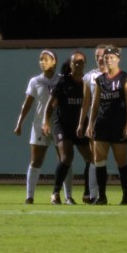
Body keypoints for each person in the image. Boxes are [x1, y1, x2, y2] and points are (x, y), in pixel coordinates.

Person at [15, 49, 72, 204]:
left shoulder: (61, 80)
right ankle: (29, 196)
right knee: (36, 161)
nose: (42, 62)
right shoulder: (35, 81)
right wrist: (19, 123)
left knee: (64, 159)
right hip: (40, 125)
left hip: (58, 125)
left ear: (54, 61)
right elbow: (27, 104)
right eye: (41, 59)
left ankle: (67, 196)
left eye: (46, 59)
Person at [80, 45, 127, 205]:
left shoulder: (125, 78)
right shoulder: (99, 80)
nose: (109, 60)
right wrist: (90, 124)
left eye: (112, 57)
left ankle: (126, 196)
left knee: (121, 161)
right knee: (99, 161)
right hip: (102, 125)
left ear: (118, 59)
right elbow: (95, 104)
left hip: (118, 125)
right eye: (106, 58)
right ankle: (101, 196)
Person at [43, 52, 93, 205]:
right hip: (62, 125)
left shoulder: (87, 82)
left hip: (80, 125)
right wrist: (46, 122)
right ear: (70, 64)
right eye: (75, 62)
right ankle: (55, 193)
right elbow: (51, 104)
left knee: (91, 159)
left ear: (84, 64)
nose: (78, 64)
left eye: (81, 62)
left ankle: (87, 193)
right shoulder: (63, 82)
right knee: (67, 157)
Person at [81, 44, 108, 203]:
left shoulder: (116, 75)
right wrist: (82, 123)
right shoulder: (90, 76)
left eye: (102, 55)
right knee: (94, 158)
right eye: (97, 56)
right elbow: (86, 102)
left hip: (111, 119)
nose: (99, 58)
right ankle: (93, 194)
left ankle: (124, 194)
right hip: (95, 120)